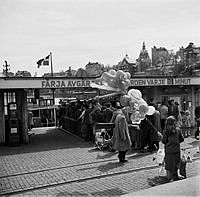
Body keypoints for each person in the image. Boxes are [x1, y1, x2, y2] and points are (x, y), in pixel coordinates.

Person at [162, 116, 184, 182]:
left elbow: (164, 141)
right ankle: (177, 175)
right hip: (176, 150)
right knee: (176, 163)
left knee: (169, 165)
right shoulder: (178, 130)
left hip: (169, 151)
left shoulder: (165, 132)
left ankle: (170, 177)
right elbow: (181, 139)